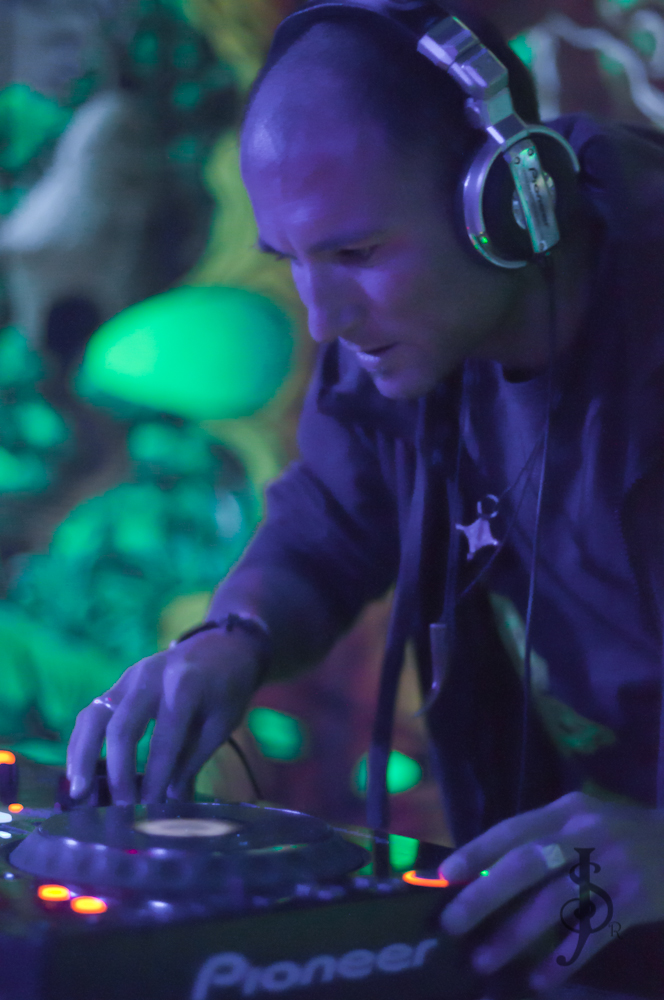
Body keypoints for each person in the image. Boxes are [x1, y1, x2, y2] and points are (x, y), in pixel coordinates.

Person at [66, 1, 664, 996]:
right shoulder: (410, 338)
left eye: (355, 255)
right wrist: (235, 636)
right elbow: (334, 517)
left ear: (506, 203)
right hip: (599, 895)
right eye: (291, 261)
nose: (322, 318)